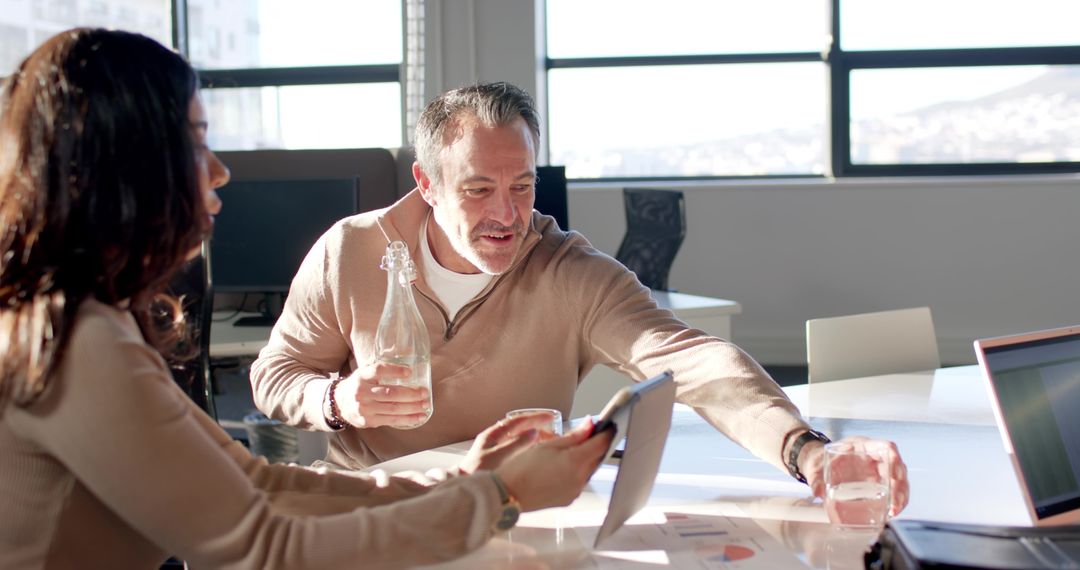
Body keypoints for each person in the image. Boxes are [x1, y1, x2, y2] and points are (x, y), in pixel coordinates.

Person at [0, 29, 612, 569]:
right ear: (124, 169)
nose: (217, 171)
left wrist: (468, 481)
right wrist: (499, 500)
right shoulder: (75, 342)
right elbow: (265, 550)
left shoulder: (83, 322)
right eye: (193, 143)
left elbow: (257, 484)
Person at [249, 81, 911, 515]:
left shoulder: (569, 273)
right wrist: (337, 398)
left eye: (523, 186)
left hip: (501, 508)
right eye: (479, 189)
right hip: (370, 501)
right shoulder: (353, 249)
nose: (507, 213)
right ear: (426, 182)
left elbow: (697, 362)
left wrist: (810, 452)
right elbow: (273, 377)